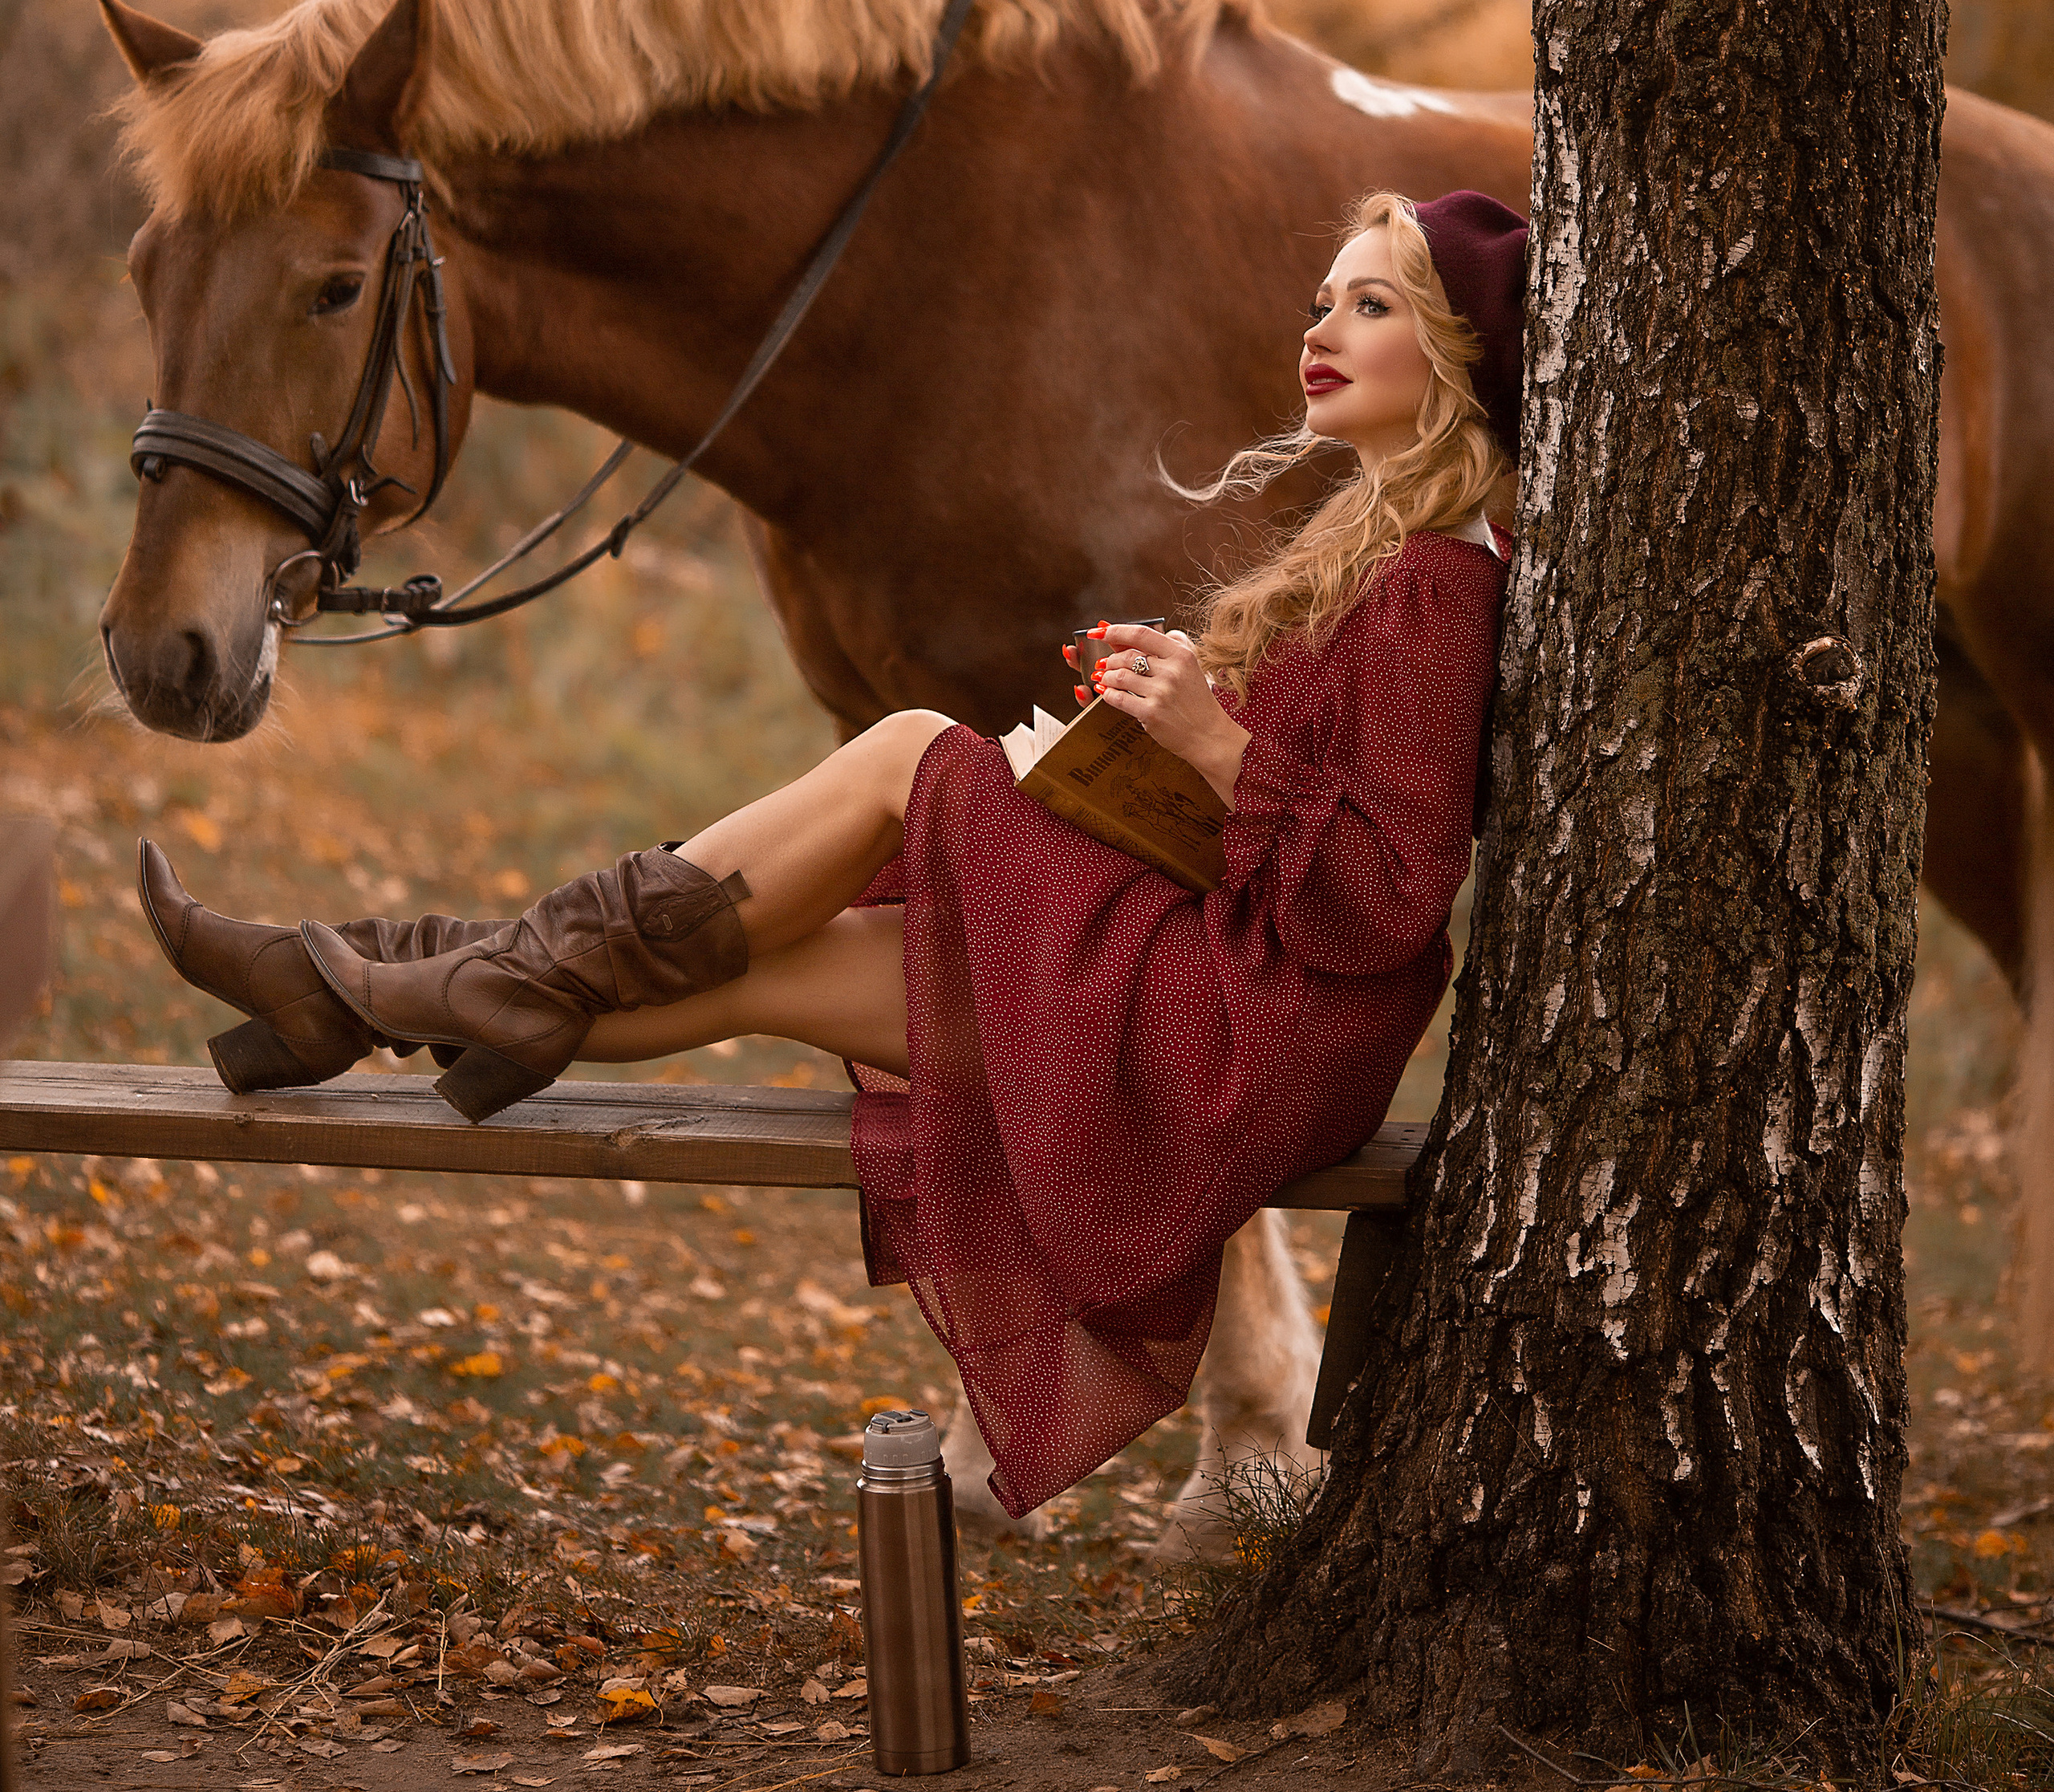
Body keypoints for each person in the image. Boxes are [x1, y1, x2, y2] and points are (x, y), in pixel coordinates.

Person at [137, 185, 1526, 1519]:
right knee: (761, 971)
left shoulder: (1442, 584)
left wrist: (1215, 748)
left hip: (1257, 1031)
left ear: (1454, 354)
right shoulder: (1373, 541)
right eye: (1320, 300)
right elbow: (1308, 826)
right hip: (1217, 971)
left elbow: (1388, 904)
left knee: (911, 746)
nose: (1321, 331)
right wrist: (1161, 748)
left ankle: (359, 976)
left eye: (1370, 306)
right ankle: (356, 985)